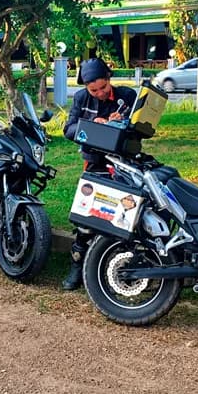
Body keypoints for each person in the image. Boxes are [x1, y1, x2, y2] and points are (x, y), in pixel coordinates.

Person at [61, 57, 137, 291]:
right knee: (87, 217)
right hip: (94, 163)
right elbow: (68, 129)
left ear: (109, 79)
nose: (100, 93)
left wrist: (123, 122)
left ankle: (120, 267)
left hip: (124, 164)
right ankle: (77, 267)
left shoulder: (127, 96)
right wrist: (92, 124)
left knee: (126, 215)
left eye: (103, 87)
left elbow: (140, 127)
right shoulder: (81, 98)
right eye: (93, 90)